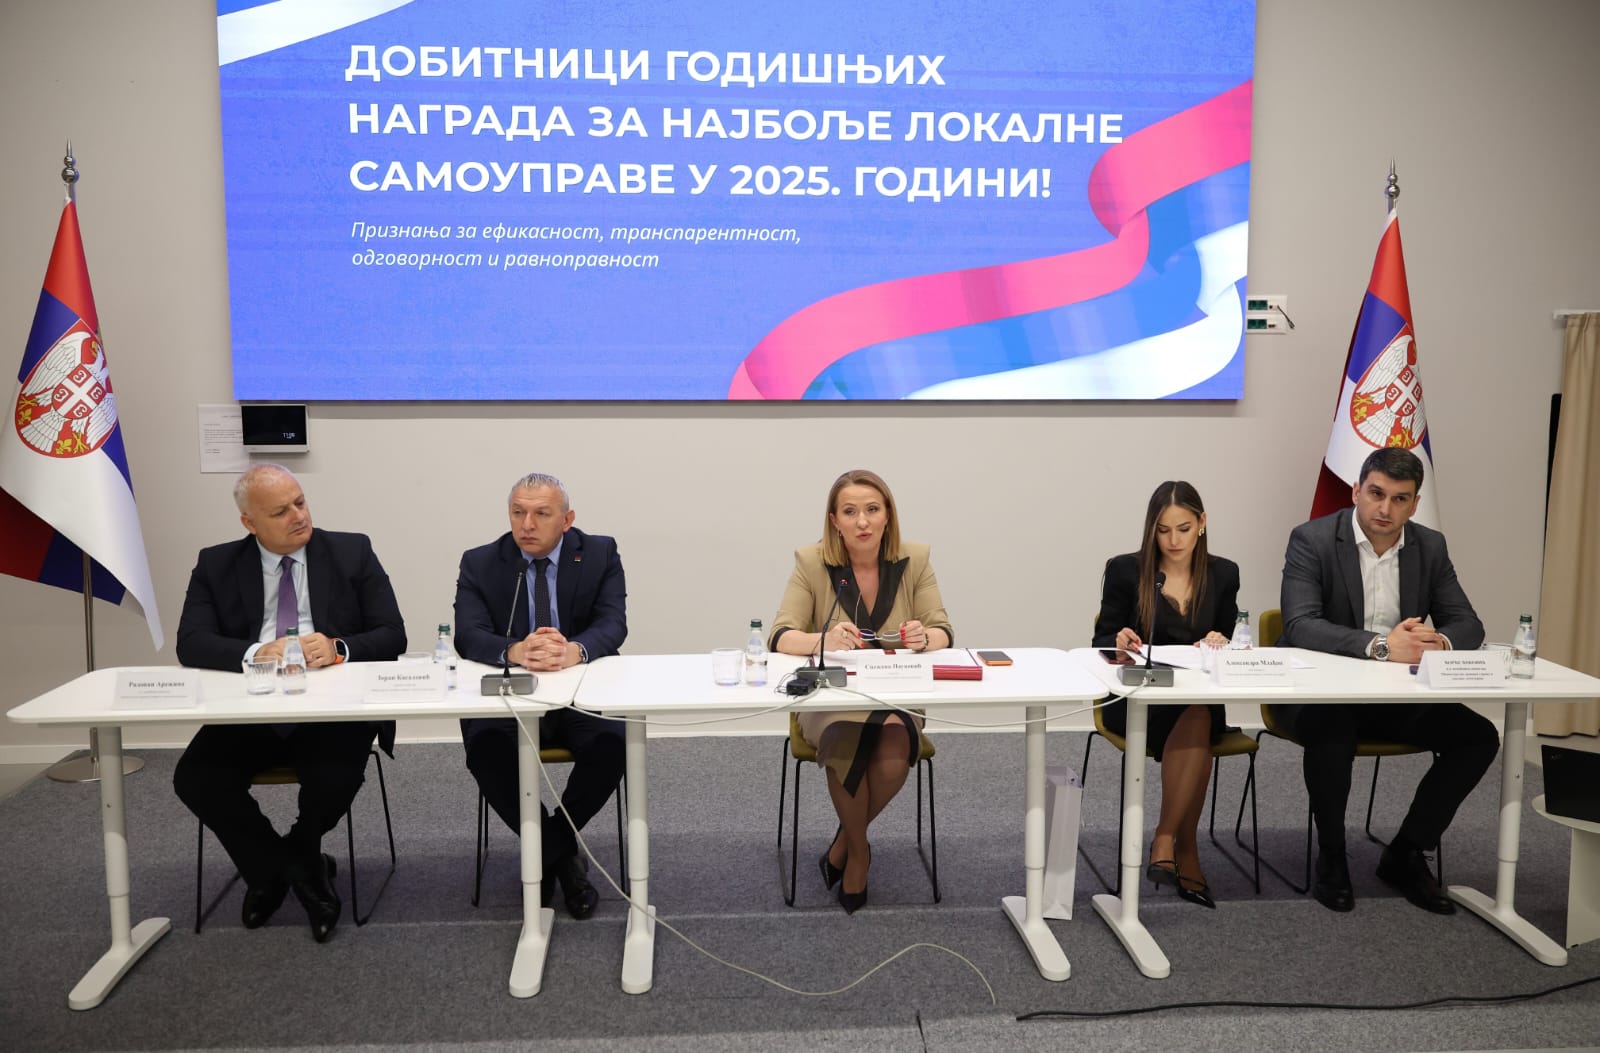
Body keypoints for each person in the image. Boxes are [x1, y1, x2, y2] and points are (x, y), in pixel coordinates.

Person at [173, 463, 406, 942]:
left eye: (300, 502)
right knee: (196, 778)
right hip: (251, 709)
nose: (298, 516)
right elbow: (190, 643)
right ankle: (279, 867)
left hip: (332, 710)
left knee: (335, 774)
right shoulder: (216, 564)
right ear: (249, 523)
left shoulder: (351, 551)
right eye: (280, 511)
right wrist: (255, 652)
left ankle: (296, 855)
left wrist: (339, 648)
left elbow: (392, 633)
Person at [1279, 447, 1497, 914]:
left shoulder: (1429, 546)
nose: (1385, 508)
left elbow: (1468, 623)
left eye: (1400, 499)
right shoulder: (1312, 539)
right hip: (1317, 695)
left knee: (1478, 737)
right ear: (1356, 491)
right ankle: (1332, 855)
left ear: (1414, 504)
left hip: (1395, 697)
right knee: (1333, 729)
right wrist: (1381, 646)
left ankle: (1406, 851)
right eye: (1376, 494)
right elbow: (1299, 624)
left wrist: (1438, 643)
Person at [769, 469, 954, 913]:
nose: (863, 521)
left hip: (896, 693)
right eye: (850, 512)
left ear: (888, 515)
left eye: (872, 509)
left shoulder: (915, 559)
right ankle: (859, 856)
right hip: (832, 698)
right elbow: (780, 635)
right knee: (844, 741)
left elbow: (943, 630)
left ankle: (844, 845)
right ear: (834, 521)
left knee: (892, 752)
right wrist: (823, 640)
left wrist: (923, 638)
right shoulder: (812, 562)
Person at [455, 472, 626, 920]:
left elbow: (613, 623)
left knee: (613, 745)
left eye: (541, 514)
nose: (526, 524)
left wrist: (575, 650)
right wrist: (515, 650)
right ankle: (564, 858)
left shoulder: (599, 553)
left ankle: (550, 848)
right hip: (511, 692)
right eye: (518, 513)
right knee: (486, 748)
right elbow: (467, 634)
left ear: (567, 520)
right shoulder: (481, 562)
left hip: (576, 689)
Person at [1091, 481, 1239, 908]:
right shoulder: (1127, 570)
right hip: (1139, 702)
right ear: (1151, 529)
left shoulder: (1224, 574)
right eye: (1163, 530)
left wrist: (1220, 641)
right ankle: (1182, 849)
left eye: (1184, 529)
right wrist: (1118, 641)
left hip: (1197, 698)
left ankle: (1165, 840)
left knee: (1197, 714)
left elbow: (1229, 637)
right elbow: (1101, 640)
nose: (1174, 540)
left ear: (1202, 524)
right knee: (1197, 723)